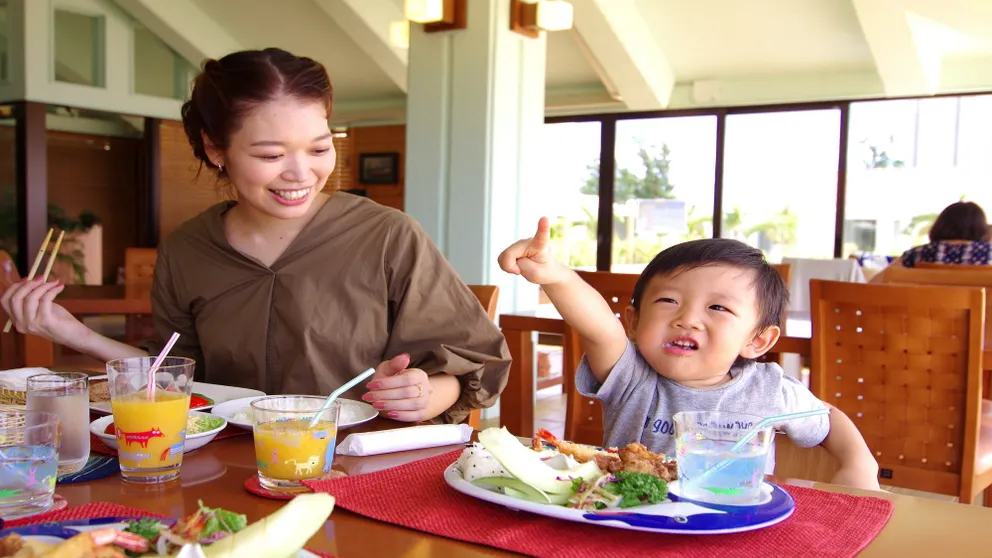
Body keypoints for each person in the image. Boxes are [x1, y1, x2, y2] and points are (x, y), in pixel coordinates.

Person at [1, 48, 510, 425]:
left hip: (360, 464)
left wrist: (430, 393)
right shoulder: (186, 250)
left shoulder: (386, 235)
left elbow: (478, 363)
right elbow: (177, 376)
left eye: (319, 148)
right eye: (271, 156)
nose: (301, 174)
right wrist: (70, 332)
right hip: (226, 463)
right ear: (215, 148)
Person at [498, 218, 880, 490]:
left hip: (732, 525)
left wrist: (860, 464)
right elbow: (599, 328)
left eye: (718, 308)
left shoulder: (771, 390)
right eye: (668, 300)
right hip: (630, 519)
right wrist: (559, 277)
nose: (687, 319)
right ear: (634, 321)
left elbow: (828, 420)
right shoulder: (632, 375)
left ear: (757, 341)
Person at [870, 201, 992, 283]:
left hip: (922, 320)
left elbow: (873, 285)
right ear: (982, 229)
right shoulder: (989, 253)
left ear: (941, 225)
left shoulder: (917, 254)